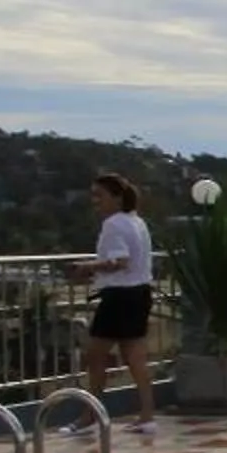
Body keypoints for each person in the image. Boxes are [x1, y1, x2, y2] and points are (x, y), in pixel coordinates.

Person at [68, 172, 158, 433]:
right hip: (140, 293)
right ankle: (147, 415)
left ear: (117, 197)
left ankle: (90, 416)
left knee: (95, 356)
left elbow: (119, 261)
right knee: (135, 358)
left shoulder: (114, 224)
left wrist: (87, 267)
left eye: (100, 195)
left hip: (120, 297)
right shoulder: (137, 221)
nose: (95, 201)